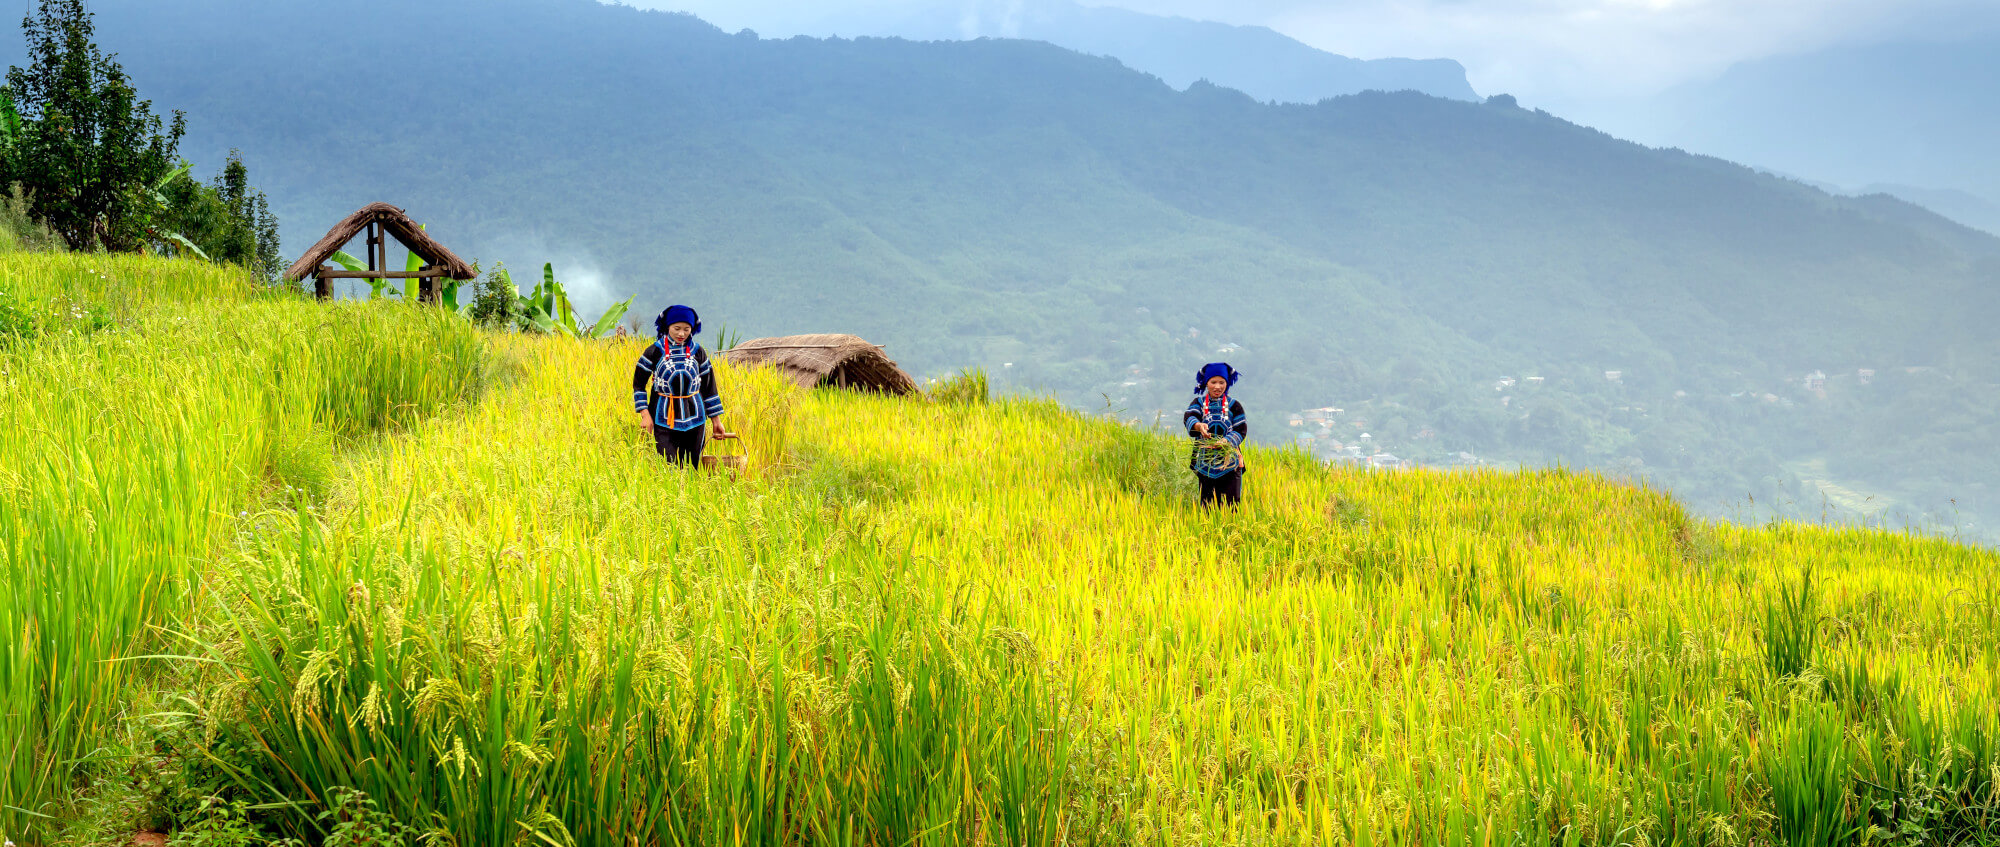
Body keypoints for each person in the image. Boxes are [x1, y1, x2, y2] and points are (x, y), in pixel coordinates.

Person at [632, 305, 734, 465]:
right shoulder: (654, 352)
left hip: (695, 417)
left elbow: (709, 388)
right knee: (667, 468)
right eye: (677, 328)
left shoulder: (698, 352)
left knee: (692, 467)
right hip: (663, 417)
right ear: (667, 327)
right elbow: (638, 384)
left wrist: (716, 421)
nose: (681, 334)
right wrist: (645, 415)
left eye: (687, 329)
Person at [1184, 362, 1246, 507]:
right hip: (1205, 463)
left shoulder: (1234, 405)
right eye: (1213, 382)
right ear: (1206, 383)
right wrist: (1198, 426)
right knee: (1207, 506)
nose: (1217, 386)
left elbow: (1241, 429)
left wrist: (1227, 441)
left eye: (1221, 382)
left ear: (1227, 383)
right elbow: (1189, 417)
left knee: (1231, 507)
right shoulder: (1198, 403)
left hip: (1230, 463)